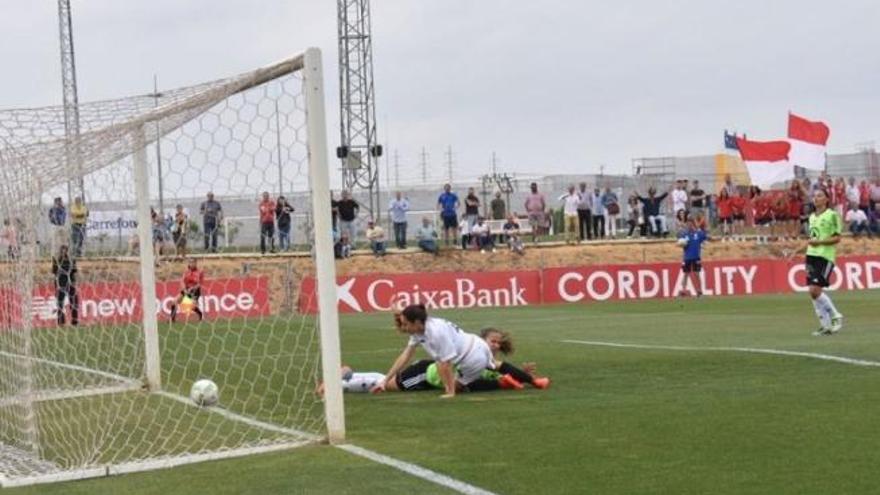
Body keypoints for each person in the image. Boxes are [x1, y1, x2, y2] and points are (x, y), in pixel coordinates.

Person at [371, 304, 495, 398]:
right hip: (476, 345)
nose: (404, 328)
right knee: (443, 372)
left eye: (406, 324)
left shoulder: (436, 333)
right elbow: (405, 356)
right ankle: (491, 376)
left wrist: (450, 391)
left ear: (417, 322)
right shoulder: (419, 329)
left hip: (473, 357)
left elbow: (446, 364)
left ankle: (495, 382)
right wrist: (385, 380)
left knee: (456, 385)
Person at [796, 188, 844, 335]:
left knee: (814, 290)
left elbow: (837, 238)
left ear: (826, 199)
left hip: (825, 256)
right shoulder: (812, 217)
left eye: (819, 196)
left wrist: (821, 242)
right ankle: (825, 325)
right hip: (811, 255)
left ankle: (836, 315)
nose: (816, 198)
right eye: (814, 196)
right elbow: (812, 239)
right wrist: (797, 251)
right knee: (813, 292)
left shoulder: (832, 215)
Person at [676, 218, 709, 297]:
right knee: (685, 274)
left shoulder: (698, 234)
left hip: (696, 257)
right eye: (688, 224)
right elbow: (678, 243)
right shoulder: (685, 234)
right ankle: (683, 291)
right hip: (687, 257)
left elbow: (706, 237)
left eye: (691, 224)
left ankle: (699, 291)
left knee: (696, 274)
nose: (689, 226)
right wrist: (680, 244)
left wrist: (705, 228)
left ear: (693, 224)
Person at [52, 245, 78, 326]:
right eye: (62, 250)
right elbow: (54, 271)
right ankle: (61, 322)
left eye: (65, 250)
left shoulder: (70, 260)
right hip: (61, 283)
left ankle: (74, 321)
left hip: (69, 283)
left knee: (73, 302)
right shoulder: (57, 260)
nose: (63, 252)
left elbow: (74, 270)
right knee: (60, 303)